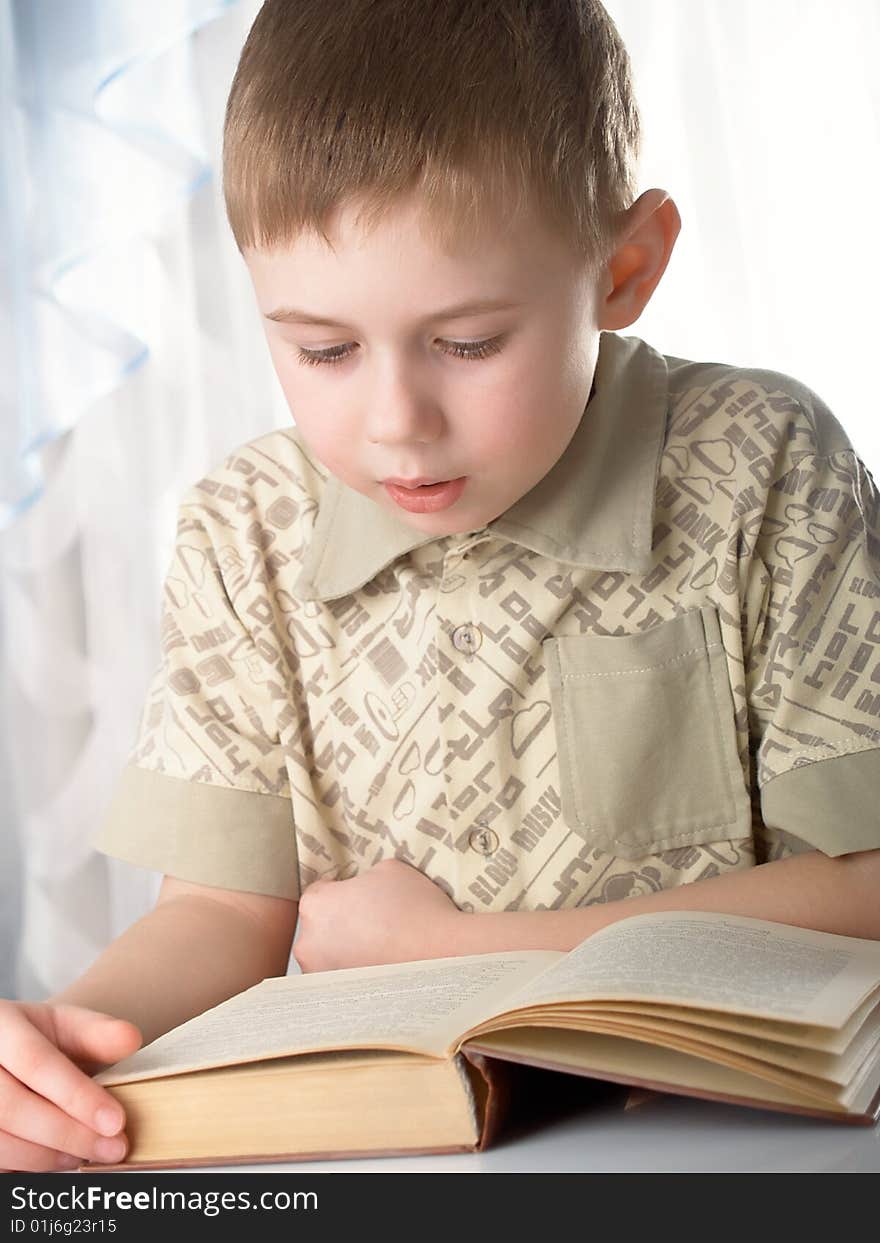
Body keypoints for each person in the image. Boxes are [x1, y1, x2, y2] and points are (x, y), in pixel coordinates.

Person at [2, 0, 879, 1174]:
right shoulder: (243, 530)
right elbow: (218, 913)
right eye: (321, 349)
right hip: (403, 1163)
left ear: (624, 268)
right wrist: (65, 1044)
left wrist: (467, 947)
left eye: (467, 344)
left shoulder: (761, 461)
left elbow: (866, 889)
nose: (394, 423)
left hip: (744, 1150)